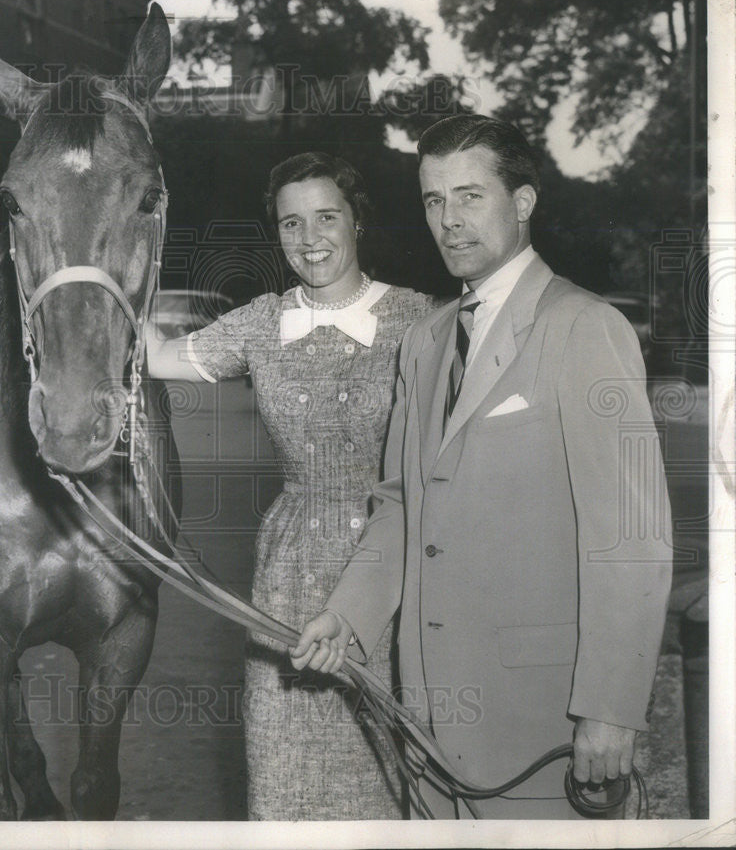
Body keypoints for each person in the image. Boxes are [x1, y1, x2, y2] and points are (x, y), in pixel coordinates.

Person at [291, 116, 673, 819]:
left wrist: (611, 710)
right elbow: (403, 503)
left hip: (542, 723)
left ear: (523, 202)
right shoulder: (425, 342)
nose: (448, 220)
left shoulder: (586, 328)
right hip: (427, 719)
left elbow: (632, 539)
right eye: (433, 200)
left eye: (469, 196)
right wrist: (348, 616)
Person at [147, 152, 436, 819]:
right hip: (286, 575)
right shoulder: (258, 323)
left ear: (358, 221)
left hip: (394, 568)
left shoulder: (421, 321)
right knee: (283, 778)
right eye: (291, 223)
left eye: (327, 217)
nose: (311, 239)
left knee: (385, 779)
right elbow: (157, 355)